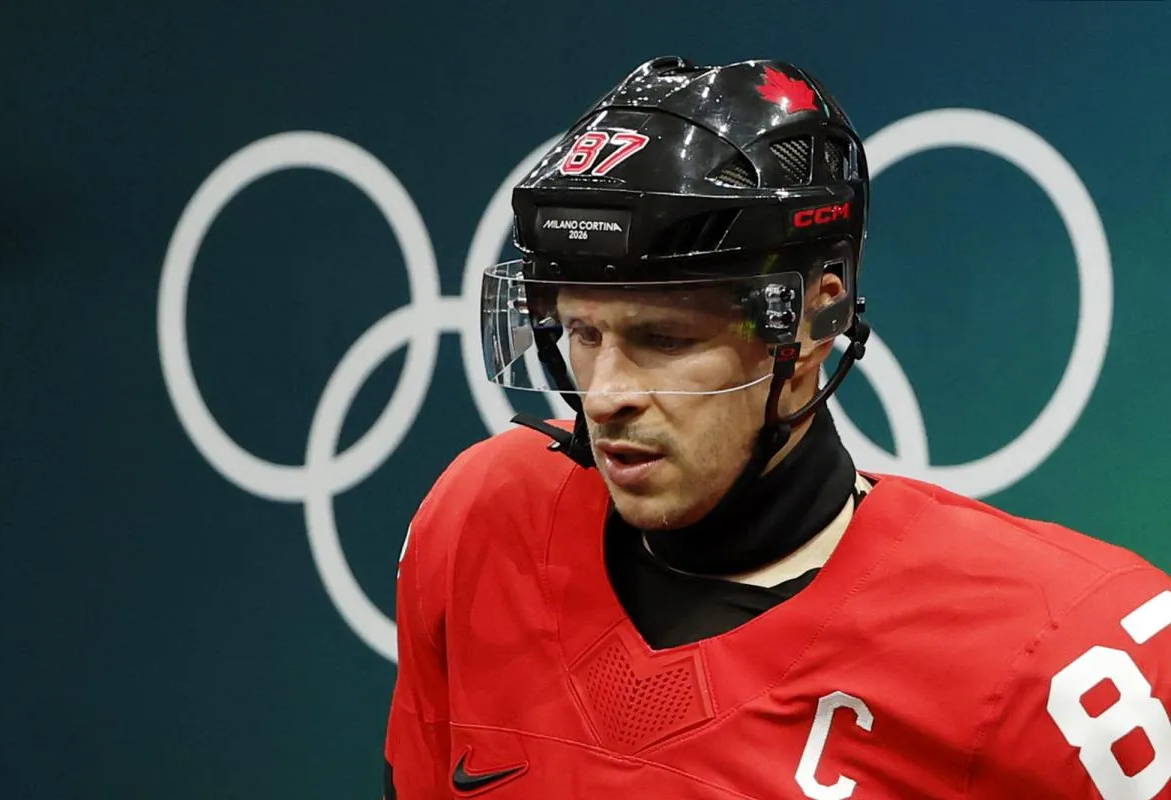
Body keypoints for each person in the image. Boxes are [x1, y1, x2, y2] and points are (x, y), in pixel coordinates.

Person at [383, 56, 1171, 799]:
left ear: (814, 315)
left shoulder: (1068, 653)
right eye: (584, 334)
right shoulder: (483, 521)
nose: (608, 393)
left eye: (665, 338)